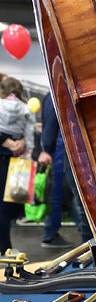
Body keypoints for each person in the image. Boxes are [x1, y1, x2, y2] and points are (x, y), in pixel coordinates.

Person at [38, 93, 92, 248]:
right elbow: (51, 122)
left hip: (62, 150)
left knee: (71, 196)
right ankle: (53, 235)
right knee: (72, 196)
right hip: (62, 151)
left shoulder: (52, 94)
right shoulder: (56, 93)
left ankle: (54, 234)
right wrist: (46, 148)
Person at [0, 77, 34, 253]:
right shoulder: (25, 108)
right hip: (15, 163)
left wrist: (5, 142)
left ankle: (4, 247)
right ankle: (5, 248)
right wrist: (19, 143)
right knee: (8, 206)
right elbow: (29, 136)